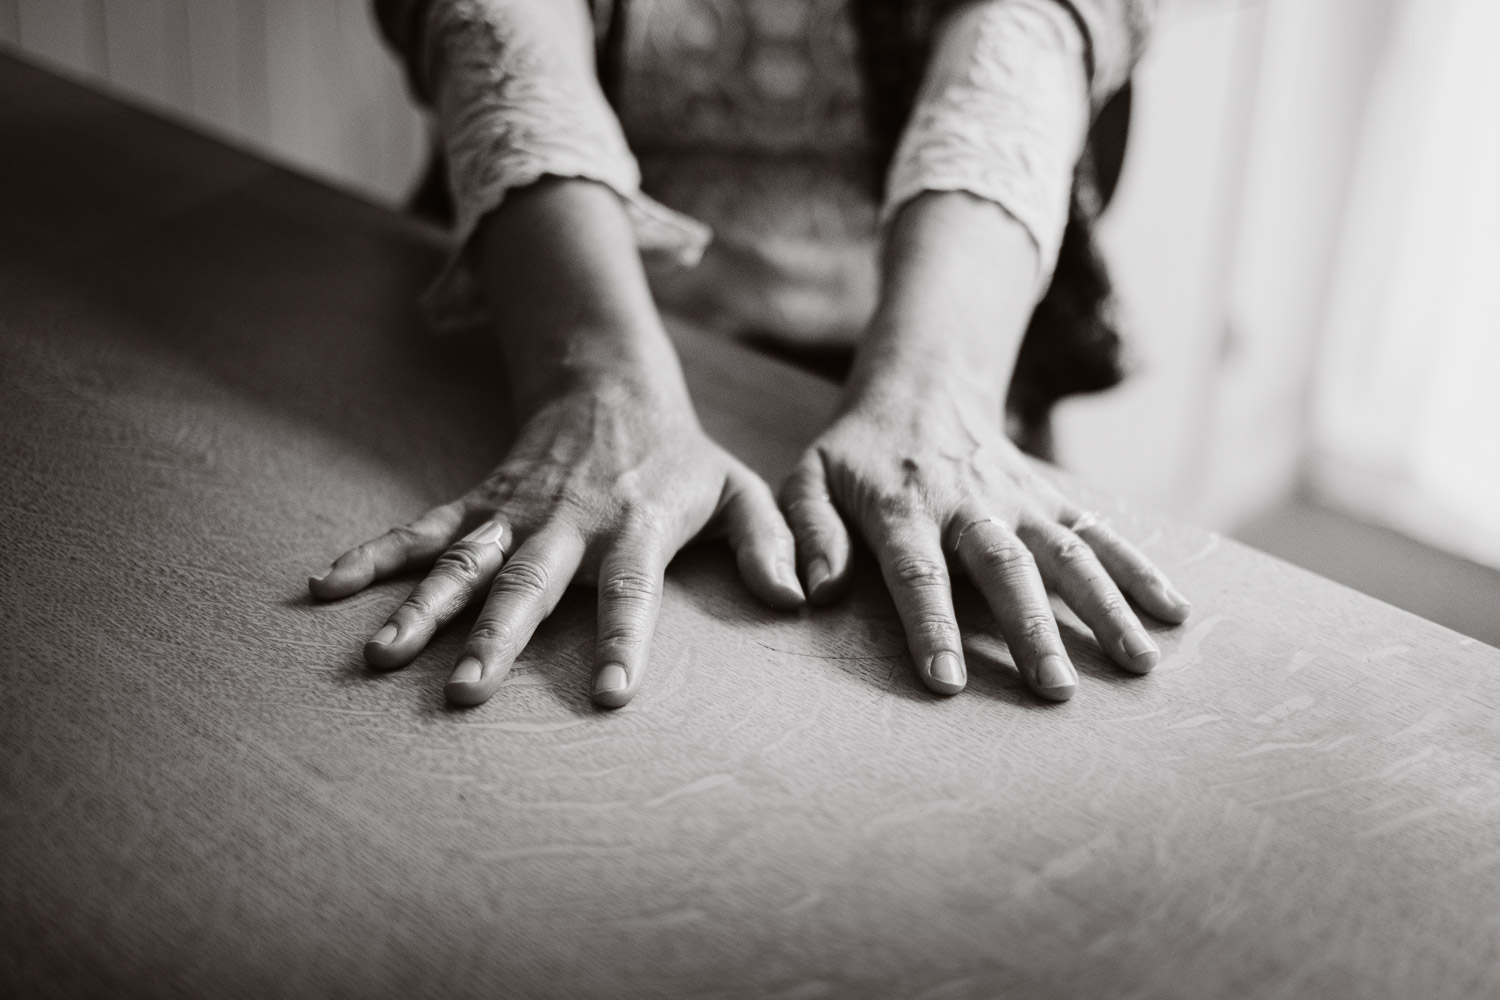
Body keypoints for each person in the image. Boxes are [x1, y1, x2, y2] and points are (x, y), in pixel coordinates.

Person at [308, 0, 1190, 709]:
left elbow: (1027, 27)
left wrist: (934, 393)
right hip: (558, 307)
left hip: (935, 342)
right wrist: (593, 381)